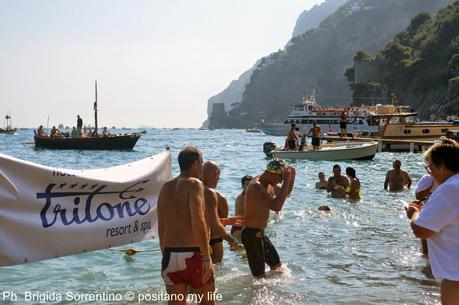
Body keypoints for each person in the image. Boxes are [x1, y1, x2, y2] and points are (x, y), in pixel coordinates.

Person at [157, 147, 215, 305]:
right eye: (201, 164)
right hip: (193, 255)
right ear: (195, 164)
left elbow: (161, 227)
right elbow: (198, 221)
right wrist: (206, 258)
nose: (202, 168)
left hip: (169, 255)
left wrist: (165, 255)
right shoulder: (194, 184)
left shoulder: (165, 188)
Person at [406, 139, 459, 304]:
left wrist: (414, 213)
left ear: (441, 166)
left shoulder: (449, 188)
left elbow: (421, 230)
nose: (430, 174)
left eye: (430, 168)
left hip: (455, 275)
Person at [242, 159, 295, 278]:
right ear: (271, 174)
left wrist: (291, 178)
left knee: (278, 268)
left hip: (260, 234)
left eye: (282, 179)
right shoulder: (256, 186)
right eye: (280, 178)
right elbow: (277, 206)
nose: (280, 181)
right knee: (260, 279)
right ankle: (255, 296)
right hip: (251, 235)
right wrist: (286, 180)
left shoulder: (268, 183)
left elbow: (284, 194)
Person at [202, 161, 241, 264]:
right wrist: (231, 239)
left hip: (212, 240)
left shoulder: (220, 199)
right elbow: (215, 224)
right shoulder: (219, 198)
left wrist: (225, 222)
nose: (218, 178)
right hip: (211, 240)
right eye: (217, 174)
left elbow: (216, 225)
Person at [231, 175, 253, 242]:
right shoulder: (242, 198)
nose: (249, 187)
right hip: (239, 229)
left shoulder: (249, 196)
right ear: (242, 186)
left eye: (251, 185)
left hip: (242, 229)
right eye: (247, 185)